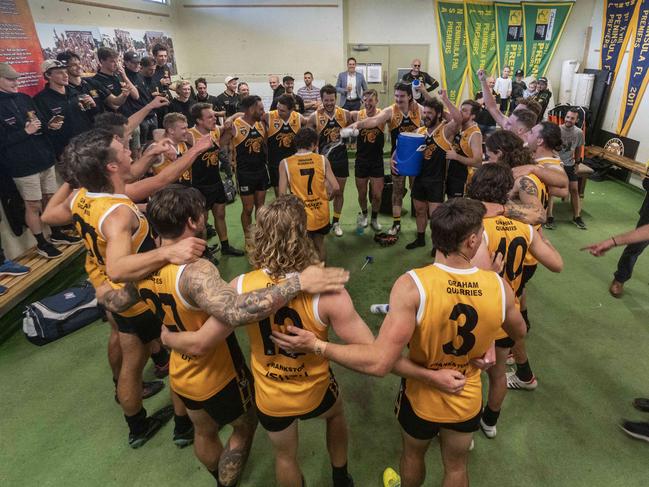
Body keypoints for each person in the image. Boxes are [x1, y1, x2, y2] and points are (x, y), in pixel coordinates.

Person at [272, 197, 527, 487]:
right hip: (465, 393)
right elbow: (518, 332)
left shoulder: (412, 285)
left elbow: (381, 362)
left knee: (412, 455)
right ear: (470, 242)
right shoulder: (499, 286)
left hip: (420, 399)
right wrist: (487, 344)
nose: (483, 240)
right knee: (456, 467)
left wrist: (318, 346)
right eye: (481, 234)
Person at [111, 185, 350, 485]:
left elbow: (115, 301)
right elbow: (235, 312)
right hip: (218, 374)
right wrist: (298, 281)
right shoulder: (197, 272)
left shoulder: (143, 266)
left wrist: (168, 337)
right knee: (245, 425)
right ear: (192, 222)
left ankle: (220, 482)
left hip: (180, 372)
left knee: (204, 431)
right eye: (201, 213)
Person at [41, 129, 215, 449]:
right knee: (178, 357)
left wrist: (74, 173)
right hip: (142, 298)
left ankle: (137, 427)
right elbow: (118, 268)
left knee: (132, 364)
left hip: (113, 298)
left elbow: (49, 214)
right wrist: (167, 252)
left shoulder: (83, 196)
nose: (127, 148)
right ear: (110, 167)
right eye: (120, 148)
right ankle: (182, 426)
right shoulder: (118, 213)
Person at [468, 163, 563, 439]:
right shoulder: (525, 227)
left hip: (482, 313)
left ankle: (465, 427)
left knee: (471, 373)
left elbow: (475, 277)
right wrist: (541, 238)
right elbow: (557, 264)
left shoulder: (476, 228)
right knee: (498, 374)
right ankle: (490, 421)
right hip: (510, 314)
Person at [0, 62, 63, 258]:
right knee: (33, 205)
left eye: (16, 78)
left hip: (44, 158)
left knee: (50, 199)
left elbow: (39, 122)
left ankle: (57, 233)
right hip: (22, 166)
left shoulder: (25, 98)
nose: (15, 82)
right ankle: (41, 242)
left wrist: (48, 126)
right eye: (10, 79)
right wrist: (25, 132)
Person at [351, 82, 423, 236]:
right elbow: (375, 121)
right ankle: (396, 224)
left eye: (402, 96)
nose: (398, 99)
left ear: (409, 96)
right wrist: (359, 123)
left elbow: (433, 116)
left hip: (417, 158)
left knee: (417, 192)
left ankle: (420, 228)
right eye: (396, 96)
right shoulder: (390, 110)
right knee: (396, 192)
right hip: (398, 158)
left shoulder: (419, 109)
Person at [404, 93, 462, 250]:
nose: (426, 116)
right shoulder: (419, 131)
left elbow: (458, 119)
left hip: (436, 181)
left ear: (438, 114)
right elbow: (405, 148)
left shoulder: (445, 130)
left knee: (436, 217)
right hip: (419, 179)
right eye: (425, 112)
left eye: (430, 113)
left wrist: (446, 101)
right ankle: (421, 238)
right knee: (419, 210)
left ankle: (437, 245)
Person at [188, 102, 244, 257]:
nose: (214, 119)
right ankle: (203, 252)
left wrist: (229, 121)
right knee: (202, 222)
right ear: (199, 120)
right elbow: (163, 133)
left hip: (216, 181)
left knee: (220, 215)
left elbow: (240, 115)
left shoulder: (215, 131)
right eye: (210, 117)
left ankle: (225, 246)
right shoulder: (190, 134)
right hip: (199, 185)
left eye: (214, 115)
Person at [278, 128, 340, 260]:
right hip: (321, 212)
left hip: (300, 214)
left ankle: (308, 277)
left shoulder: (285, 163)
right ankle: (322, 275)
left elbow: (282, 196)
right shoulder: (322, 160)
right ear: (313, 144)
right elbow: (335, 187)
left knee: (303, 248)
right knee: (320, 245)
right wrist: (328, 198)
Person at [309, 84, 354, 237]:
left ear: (336, 98)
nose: (329, 103)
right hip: (323, 162)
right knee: (323, 194)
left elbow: (353, 130)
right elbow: (310, 139)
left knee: (339, 192)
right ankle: (322, 222)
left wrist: (350, 139)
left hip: (341, 159)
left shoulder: (345, 114)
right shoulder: (315, 116)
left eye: (332, 100)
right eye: (326, 100)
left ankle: (336, 222)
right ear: (321, 100)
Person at [34, 59, 94, 160]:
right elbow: (41, 129)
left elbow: (90, 116)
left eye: (65, 71)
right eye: (59, 72)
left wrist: (93, 105)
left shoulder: (76, 91)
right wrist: (49, 127)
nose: (65, 75)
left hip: (89, 144)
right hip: (67, 152)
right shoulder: (40, 100)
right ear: (48, 75)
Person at [231, 95, 269, 235]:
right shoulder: (235, 125)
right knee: (248, 209)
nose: (263, 112)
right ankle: (248, 239)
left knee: (261, 208)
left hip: (261, 171)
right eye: (260, 109)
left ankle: (260, 236)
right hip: (244, 173)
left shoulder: (261, 124)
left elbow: (264, 146)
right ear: (251, 109)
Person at [350, 89, 385, 232]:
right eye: (365, 100)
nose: (368, 103)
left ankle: (374, 218)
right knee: (362, 194)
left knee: (377, 195)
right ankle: (364, 215)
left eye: (371, 100)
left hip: (377, 161)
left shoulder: (382, 115)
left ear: (376, 101)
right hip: (361, 160)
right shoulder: (358, 114)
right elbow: (339, 113)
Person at [525, 121, 569, 230]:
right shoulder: (537, 156)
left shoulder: (551, 166)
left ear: (540, 141)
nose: (526, 134)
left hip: (531, 225)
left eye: (531, 133)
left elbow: (564, 190)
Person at [264, 93, 310, 196]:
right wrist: (231, 118)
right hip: (274, 163)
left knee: (296, 193)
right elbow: (246, 115)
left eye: (282, 110)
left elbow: (310, 123)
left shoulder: (298, 118)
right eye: (278, 108)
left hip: (293, 162)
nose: (279, 112)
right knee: (280, 196)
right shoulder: (269, 116)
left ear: (291, 110)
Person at [444, 99, 483, 199]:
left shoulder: (475, 134)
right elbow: (442, 112)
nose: (460, 112)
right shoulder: (458, 125)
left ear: (473, 116)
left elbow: (478, 162)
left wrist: (456, 156)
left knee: (457, 208)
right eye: (460, 109)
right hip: (449, 174)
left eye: (465, 111)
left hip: (462, 178)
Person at [556, 108, 587, 229]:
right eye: (568, 117)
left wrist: (577, 163)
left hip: (569, 164)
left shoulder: (579, 132)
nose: (569, 120)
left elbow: (579, 148)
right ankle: (549, 217)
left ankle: (577, 216)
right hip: (556, 164)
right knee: (552, 190)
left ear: (577, 120)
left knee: (574, 189)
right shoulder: (557, 130)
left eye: (572, 118)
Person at [122, 51, 156, 153]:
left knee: (152, 143)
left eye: (138, 62)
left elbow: (146, 93)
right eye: (133, 63)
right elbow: (136, 96)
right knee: (140, 147)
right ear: (126, 63)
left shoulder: (140, 75)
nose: (137, 65)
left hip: (151, 113)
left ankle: (149, 166)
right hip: (139, 115)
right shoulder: (123, 77)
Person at [57, 50, 103, 121]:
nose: (79, 67)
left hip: (100, 127)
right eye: (74, 65)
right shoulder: (62, 90)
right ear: (64, 68)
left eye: (79, 63)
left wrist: (94, 105)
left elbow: (111, 105)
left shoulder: (91, 82)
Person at [90, 47, 138, 113]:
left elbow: (136, 96)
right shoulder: (96, 80)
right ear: (102, 61)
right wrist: (124, 94)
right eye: (112, 61)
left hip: (132, 114)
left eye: (117, 61)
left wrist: (124, 76)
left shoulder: (119, 75)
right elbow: (114, 105)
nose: (116, 64)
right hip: (117, 120)